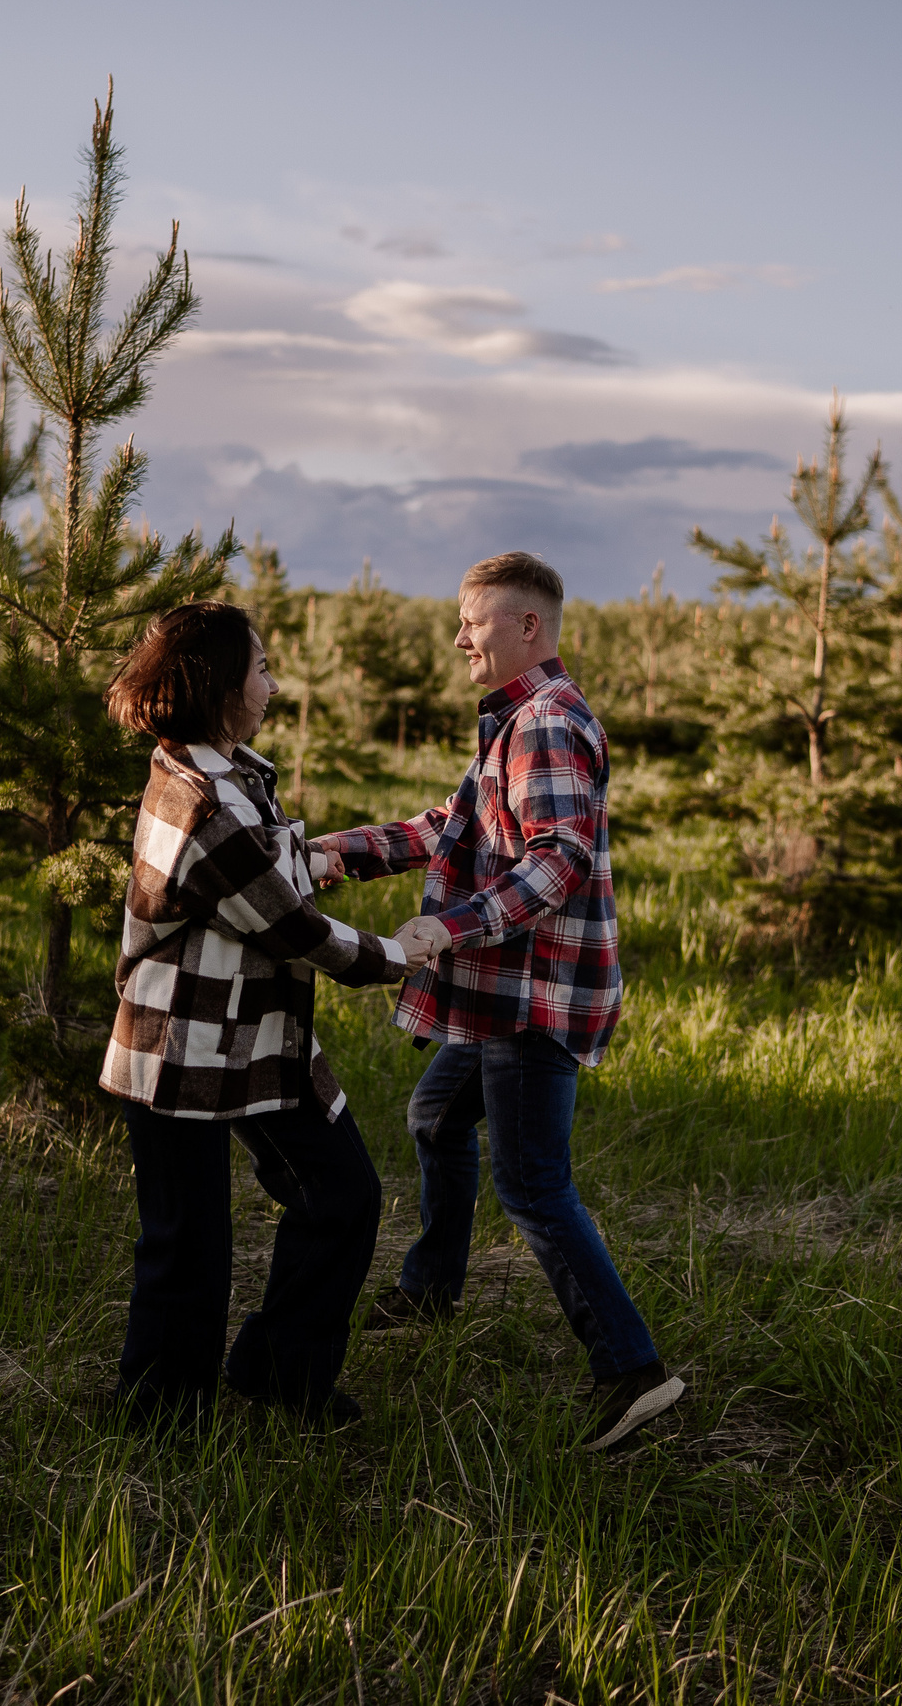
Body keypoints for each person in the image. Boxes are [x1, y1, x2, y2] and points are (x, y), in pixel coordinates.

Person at [312, 552, 684, 1453]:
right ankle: (434, 1287)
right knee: (437, 1115)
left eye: (472, 622)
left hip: (530, 995)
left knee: (533, 1182)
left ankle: (631, 1371)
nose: (457, 637)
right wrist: (337, 850)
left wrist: (451, 928)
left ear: (527, 627)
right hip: (501, 991)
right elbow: (450, 826)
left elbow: (554, 859)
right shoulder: (514, 721)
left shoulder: (546, 723)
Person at [99, 600, 438, 1430]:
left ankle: (283, 1370)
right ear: (220, 686)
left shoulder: (231, 770)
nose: (274, 683)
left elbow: (285, 866)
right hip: (179, 1044)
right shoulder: (199, 803)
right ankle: (158, 1422)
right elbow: (291, 926)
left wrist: (395, 841)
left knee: (344, 1194)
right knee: (187, 1246)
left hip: (260, 1038)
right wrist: (402, 953)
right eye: (260, 667)